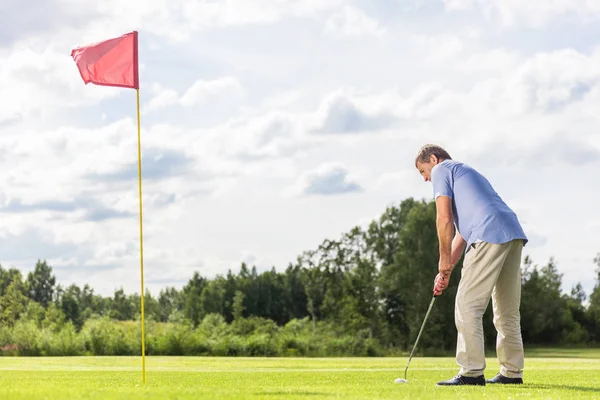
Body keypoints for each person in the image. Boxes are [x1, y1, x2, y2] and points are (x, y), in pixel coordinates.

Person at [414, 144, 528, 386]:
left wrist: (443, 260)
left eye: (423, 172)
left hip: (487, 233)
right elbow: (461, 235)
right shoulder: (466, 173)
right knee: (507, 311)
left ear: (433, 160)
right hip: (512, 232)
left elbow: (443, 219)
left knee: (467, 305)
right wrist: (445, 271)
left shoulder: (442, 169)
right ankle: (511, 373)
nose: (426, 179)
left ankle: (471, 372)